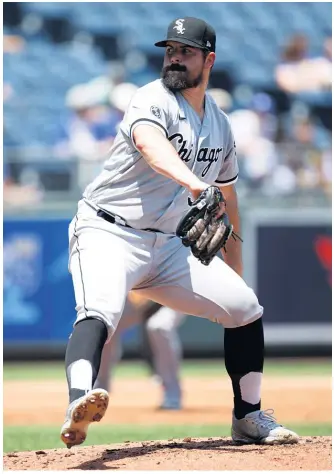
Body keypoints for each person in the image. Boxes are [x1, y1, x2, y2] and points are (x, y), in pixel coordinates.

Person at [61, 17, 299, 448]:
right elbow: (153, 147)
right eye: (169, 50)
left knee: (245, 307)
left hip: (168, 246)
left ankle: (248, 416)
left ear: (208, 60)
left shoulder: (221, 126)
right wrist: (194, 183)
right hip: (109, 232)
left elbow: (228, 200)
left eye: (184, 51)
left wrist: (236, 267)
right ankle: (79, 401)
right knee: (100, 312)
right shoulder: (150, 98)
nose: (173, 58)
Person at [94, 293, 185, 410]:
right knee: (106, 325)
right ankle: (100, 387)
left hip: (172, 295)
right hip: (142, 293)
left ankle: (173, 393)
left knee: (159, 327)